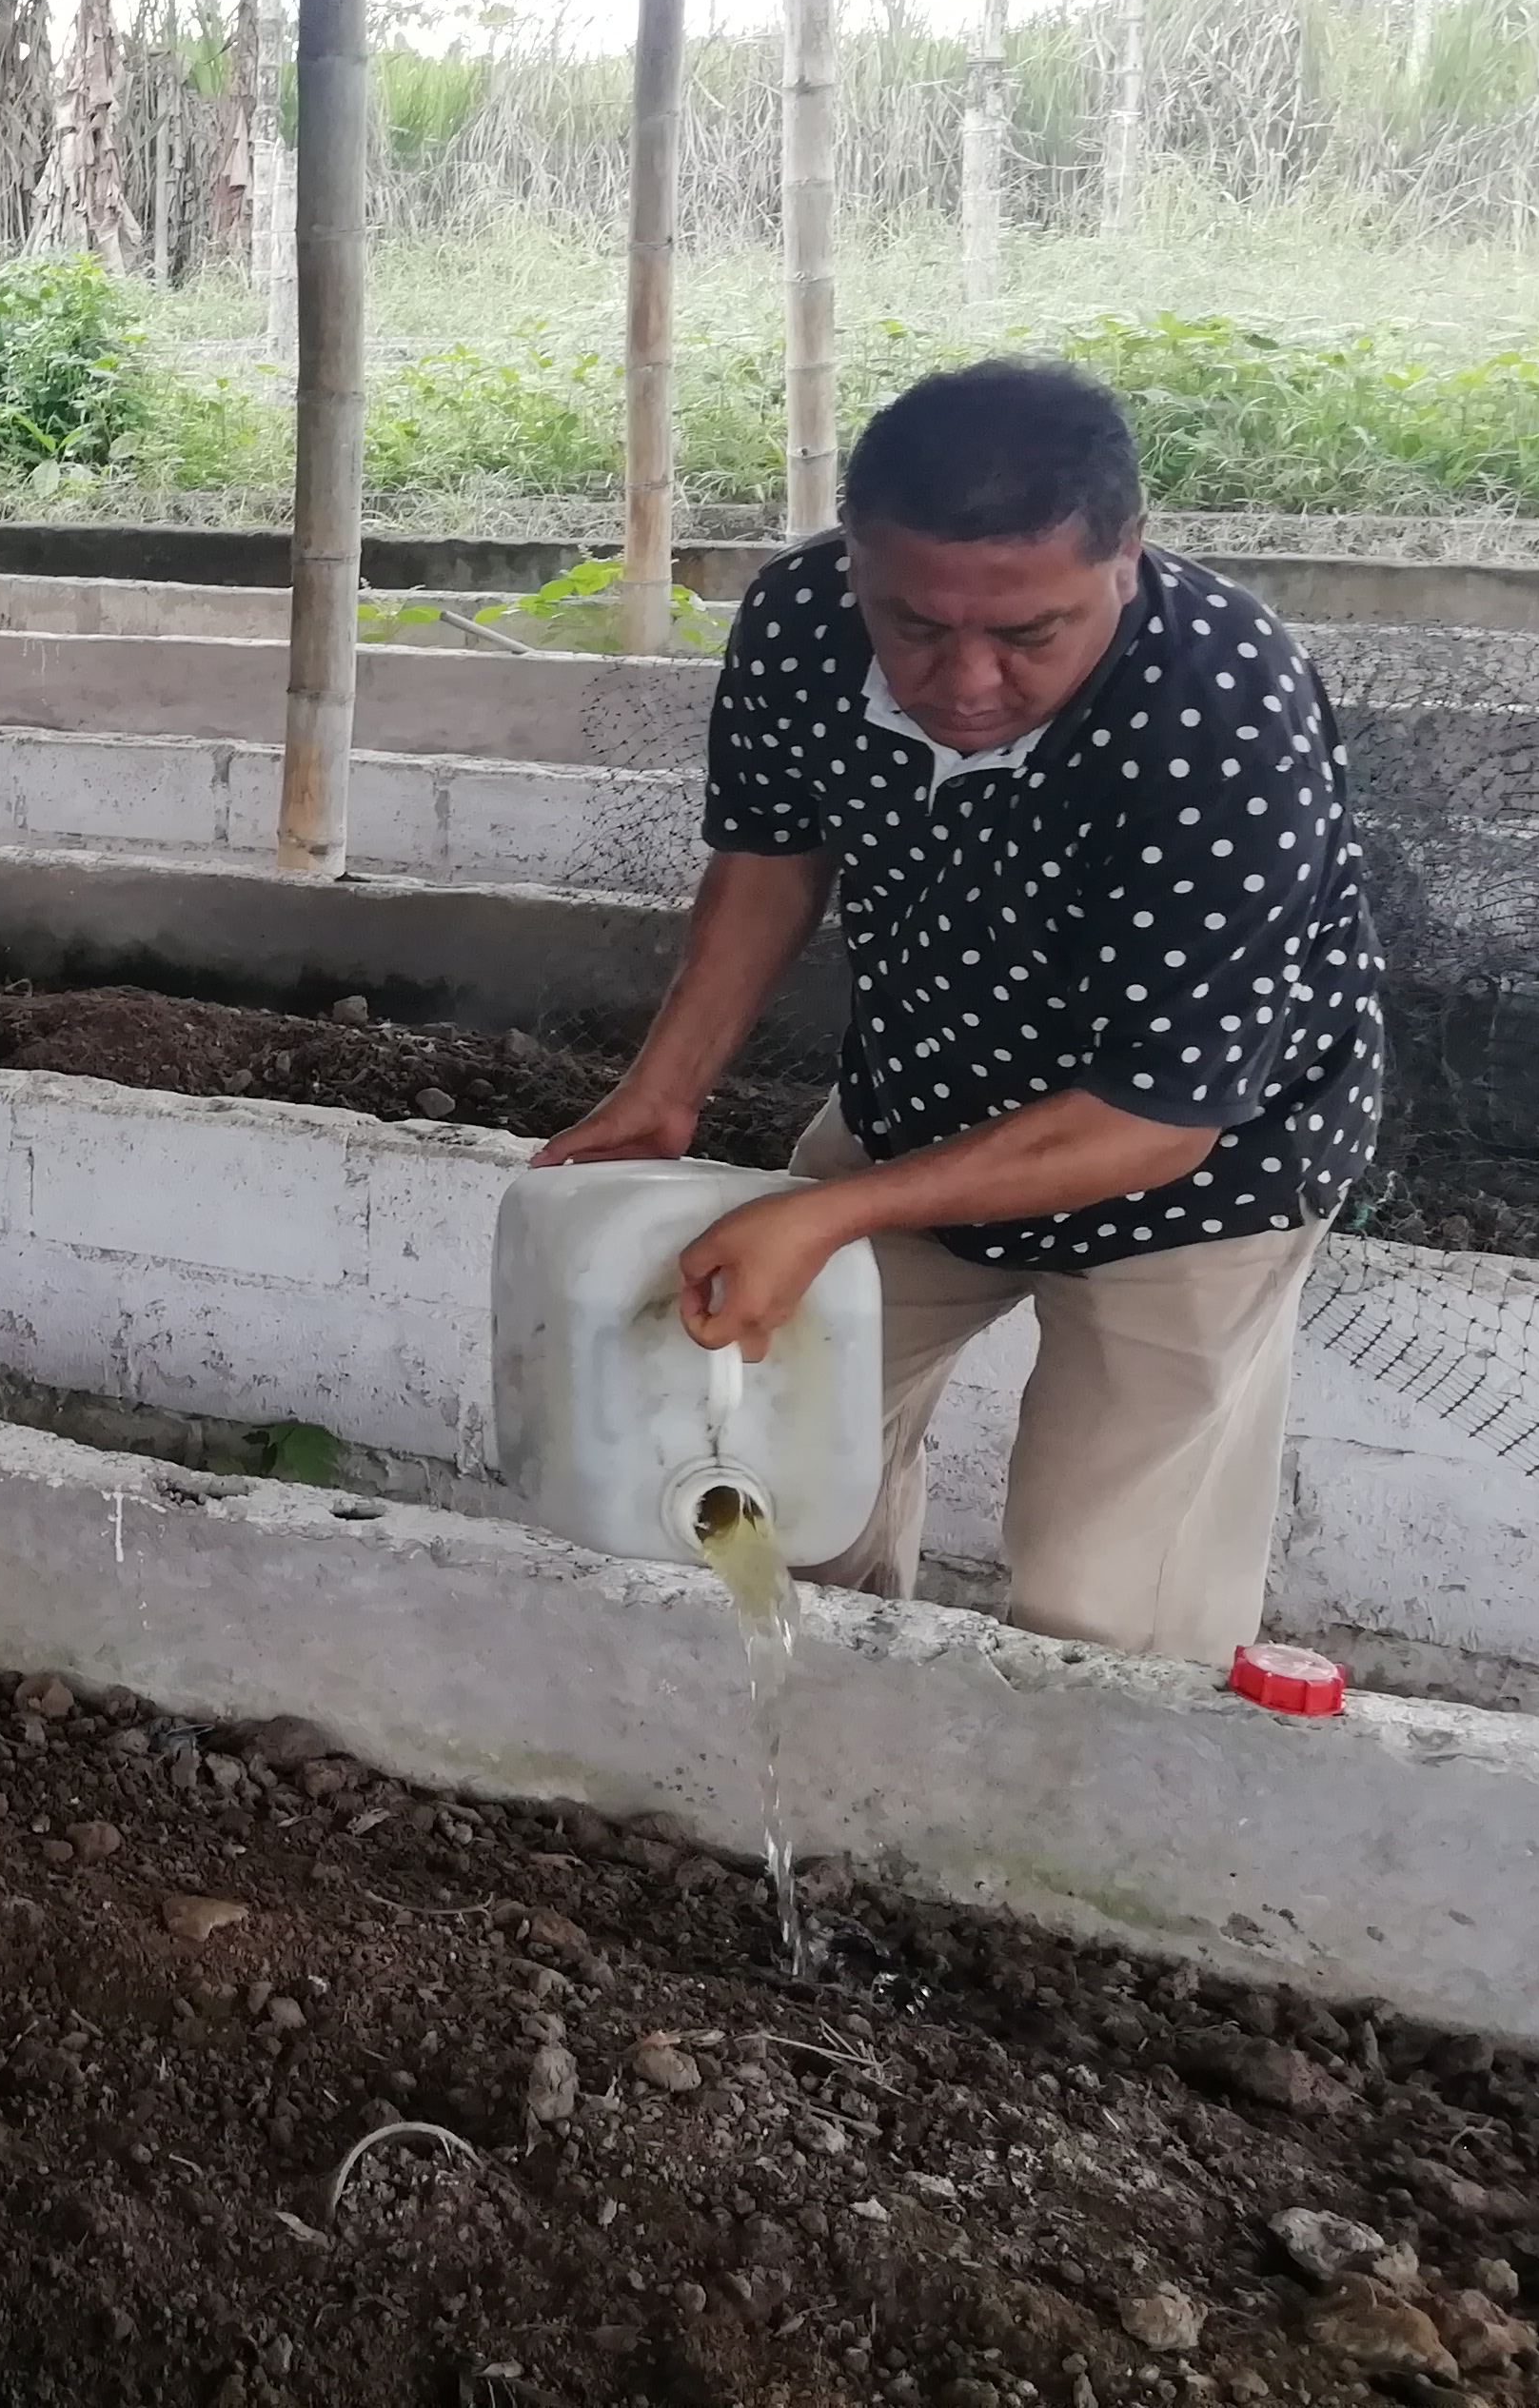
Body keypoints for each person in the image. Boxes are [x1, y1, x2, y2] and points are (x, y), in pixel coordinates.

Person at [538, 359, 1383, 1664]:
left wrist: (826, 1214)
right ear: (856, 558)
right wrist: (661, 1093)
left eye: (1028, 635)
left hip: (1198, 1179)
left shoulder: (1220, 714)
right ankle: (824, 1744)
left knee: (1105, 1612)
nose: (966, 680)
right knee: (760, 1492)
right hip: (922, 1099)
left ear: (1127, 555)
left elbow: (1156, 1118)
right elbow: (771, 860)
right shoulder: (803, 620)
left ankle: (1083, 1791)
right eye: (914, 625)